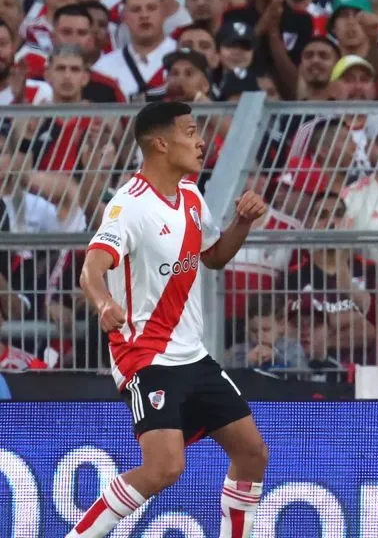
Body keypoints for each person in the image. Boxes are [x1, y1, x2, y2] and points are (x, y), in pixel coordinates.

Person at [70, 101, 269, 538]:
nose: (202, 142)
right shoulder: (130, 206)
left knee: (252, 452)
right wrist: (104, 303)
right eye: (192, 132)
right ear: (161, 143)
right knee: (164, 468)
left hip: (191, 355)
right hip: (145, 356)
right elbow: (91, 268)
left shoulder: (192, 195)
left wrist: (242, 222)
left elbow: (213, 258)